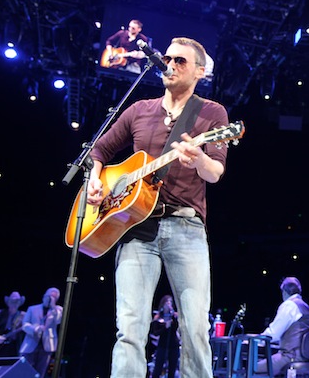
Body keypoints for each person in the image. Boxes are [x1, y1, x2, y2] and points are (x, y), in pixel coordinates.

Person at [86, 37, 231, 378]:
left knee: (195, 328)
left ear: (200, 70)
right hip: (135, 228)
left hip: (186, 228)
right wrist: (95, 179)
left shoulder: (212, 113)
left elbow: (216, 173)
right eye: (167, 58)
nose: (171, 64)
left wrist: (198, 159)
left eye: (180, 60)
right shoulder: (139, 109)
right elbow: (98, 151)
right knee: (130, 328)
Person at [256, 277, 309, 375]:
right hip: (306, 357)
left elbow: (272, 334)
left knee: (252, 368)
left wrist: (254, 340)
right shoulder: (306, 307)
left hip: (290, 356)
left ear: (284, 291)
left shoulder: (289, 305)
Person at [19, 287, 63, 378]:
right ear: (44, 296)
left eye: (53, 297)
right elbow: (24, 324)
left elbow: (58, 320)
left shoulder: (57, 310)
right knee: (25, 370)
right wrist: (35, 329)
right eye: (49, 296)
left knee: (40, 372)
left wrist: (53, 305)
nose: (50, 298)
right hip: (31, 344)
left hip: (46, 346)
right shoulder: (32, 309)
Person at [149, 295, 180, 378]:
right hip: (162, 345)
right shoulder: (158, 317)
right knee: (158, 368)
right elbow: (155, 333)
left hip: (174, 345)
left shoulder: (174, 316)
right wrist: (165, 327)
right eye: (167, 301)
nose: (169, 303)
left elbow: (176, 327)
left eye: (171, 302)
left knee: (172, 369)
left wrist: (174, 317)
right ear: (163, 304)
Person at [0, 291, 26, 357]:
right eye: (12, 302)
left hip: (14, 347)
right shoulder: (0, 313)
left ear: (19, 304)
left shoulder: (23, 315)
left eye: (16, 302)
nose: (14, 304)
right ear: (8, 302)